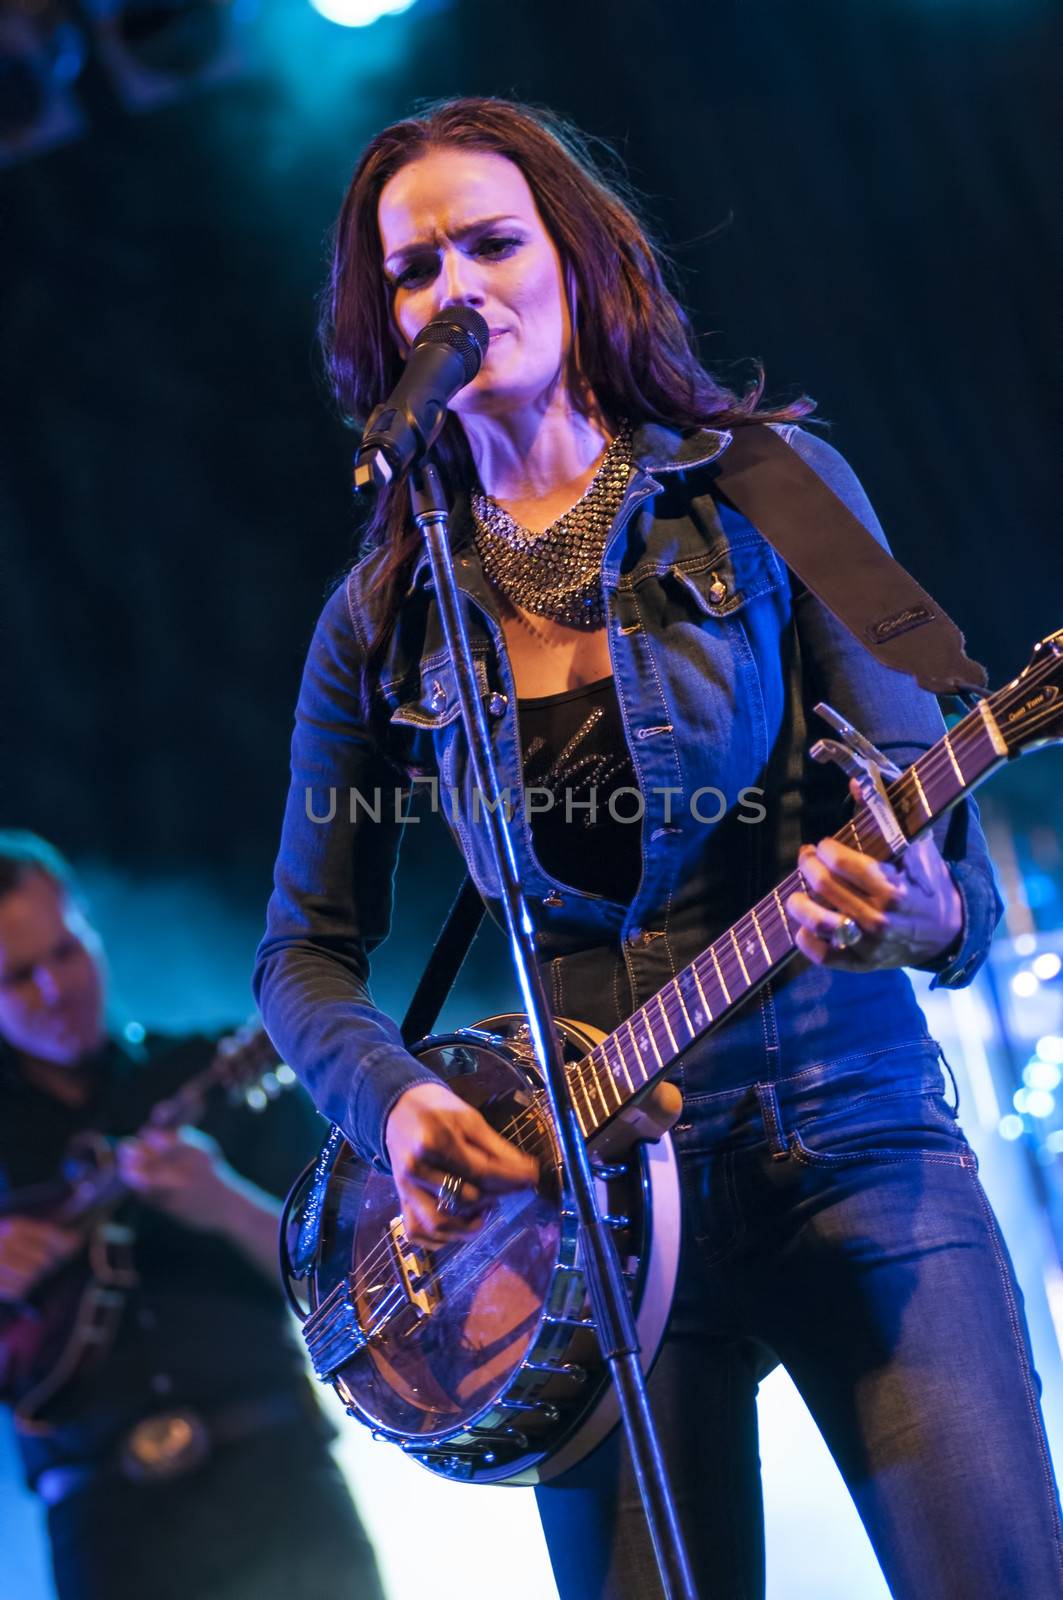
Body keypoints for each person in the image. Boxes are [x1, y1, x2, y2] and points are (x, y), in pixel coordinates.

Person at [253, 96, 1063, 1599]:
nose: (459, 292)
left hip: (847, 1132)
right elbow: (300, 953)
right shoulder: (382, 617)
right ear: (384, 324)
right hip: (583, 1217)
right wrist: (394, 1107)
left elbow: (913, 803)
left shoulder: (762, 487)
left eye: (492, 244)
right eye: (415, 272)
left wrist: (906, 898)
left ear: (575, 260)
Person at [0, 832, 385, 1600]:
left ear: (90, 930)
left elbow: (359, 1280)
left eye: (67, 954)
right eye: (17, 977)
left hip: (278, 1483)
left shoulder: (205, 1069)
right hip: (104, 1529)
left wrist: (224, 1203)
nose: (53, 989)